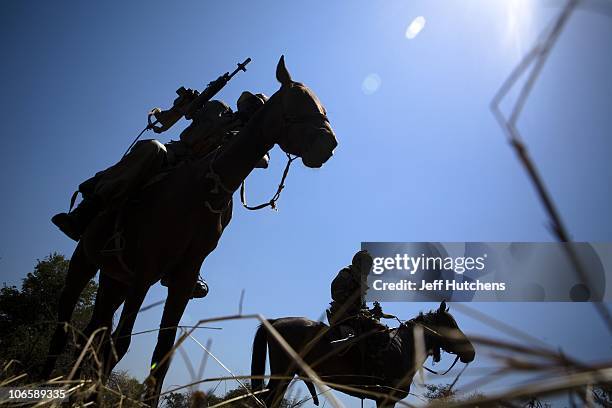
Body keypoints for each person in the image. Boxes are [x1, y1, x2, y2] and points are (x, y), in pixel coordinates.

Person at [51, 91, 269, 297]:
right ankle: (88, 210)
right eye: (252, 104)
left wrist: (246, 141)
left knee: (223, 207)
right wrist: (187, 102)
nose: (252, 109)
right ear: (243, 102)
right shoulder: (217, 108)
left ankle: (190, 265)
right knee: (152, 148)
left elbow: (263, 160)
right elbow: (177, 116)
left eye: (258, 109)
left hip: (203, 179)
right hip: (175, 157)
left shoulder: (249, 137)